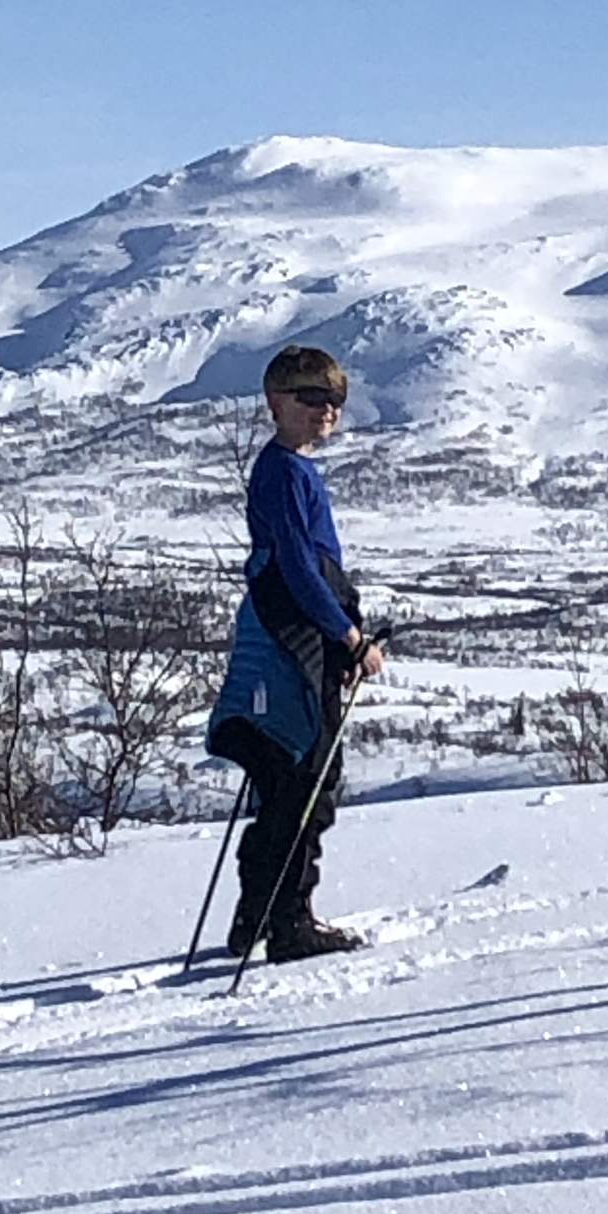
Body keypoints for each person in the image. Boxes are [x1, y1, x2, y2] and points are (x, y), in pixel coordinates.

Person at [205, 345, 384, 962]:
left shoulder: (295, 470)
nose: (325, 412)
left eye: (333, 401)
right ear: (276, 402)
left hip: (299, 633)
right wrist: (348, 636)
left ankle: (258, 916)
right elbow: (298, 567)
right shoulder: (284, 471)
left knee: (293, 780)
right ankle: (288, 921)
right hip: (295, 638)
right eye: (310, 399)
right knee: (305, 779)